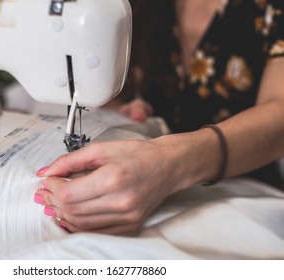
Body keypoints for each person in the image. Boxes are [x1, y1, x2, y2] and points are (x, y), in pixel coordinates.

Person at [34, 0, 284, 235]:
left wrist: (173, 162)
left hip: (250, 207)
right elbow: (101, 81)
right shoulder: (140, 7)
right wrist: (120, 112)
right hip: (148, 193)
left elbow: (279, 114)